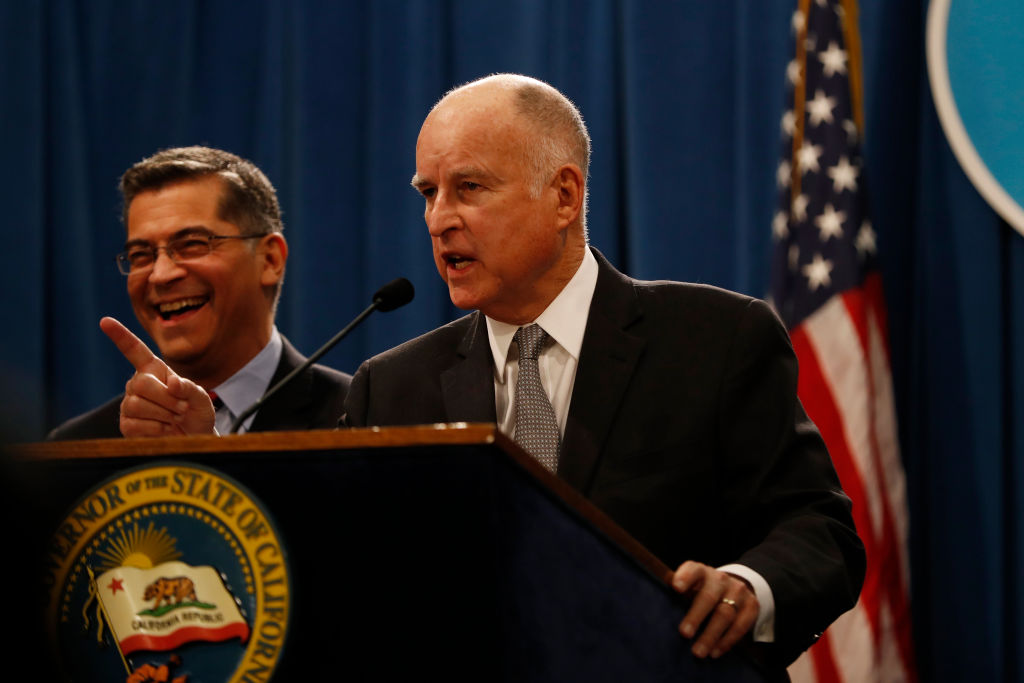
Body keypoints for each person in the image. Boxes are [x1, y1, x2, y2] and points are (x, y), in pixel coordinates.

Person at [110, 78, 864, 671]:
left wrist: (748, 586)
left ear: (563, 194)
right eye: (427, 194)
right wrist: (212, 454)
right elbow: (330, 571)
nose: (439, 218)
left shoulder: (714, 338)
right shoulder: (393, 384)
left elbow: (819, 532)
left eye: (468, 188)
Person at [48, 146, 350, 440]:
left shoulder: (360, 418)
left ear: (270, 260)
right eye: (141, 254)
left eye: (192, 244)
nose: (161, 275)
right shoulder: (80, 445)